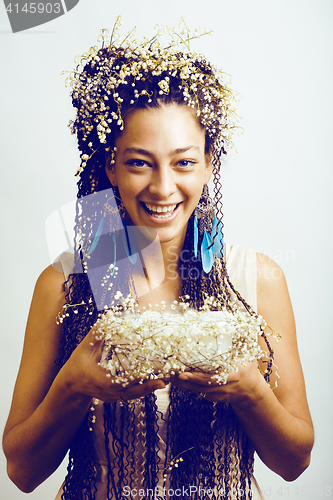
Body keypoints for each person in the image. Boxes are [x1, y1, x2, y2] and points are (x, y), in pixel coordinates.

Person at [3, 18, 314, 500]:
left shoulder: (257, 281)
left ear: (210, 163)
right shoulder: (66, 284)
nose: (163, 188)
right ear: (110, 165)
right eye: (139, 162)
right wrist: (73, 385)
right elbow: (21, 472)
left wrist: (250, 389)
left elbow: (296, 462)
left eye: (184, 161)